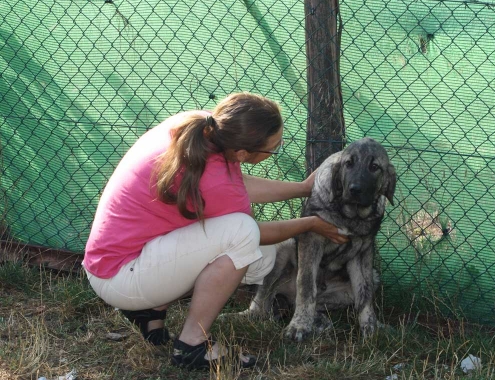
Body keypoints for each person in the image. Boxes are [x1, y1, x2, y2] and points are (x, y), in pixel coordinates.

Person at [83, 92, 348, 371]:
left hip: (112, 263)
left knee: (246, 242)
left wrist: (302, 188)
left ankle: (150, 311)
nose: (276, 150)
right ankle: (192, 345)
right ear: (243, 153)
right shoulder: (215, 177)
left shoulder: (199, 126)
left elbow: (237, 183)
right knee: (244, 235)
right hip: (121, 277)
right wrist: (311, 223)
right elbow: (255, 232)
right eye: (275, 148)